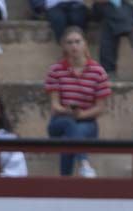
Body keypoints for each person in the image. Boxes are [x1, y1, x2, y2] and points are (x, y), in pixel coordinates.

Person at [45, 25, 109, 177]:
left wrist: (81, 115)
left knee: (72, 135)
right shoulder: (55, 70)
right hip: (60, 120)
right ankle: (83, 163)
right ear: (63, 45)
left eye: (77, 41)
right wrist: (68, 112)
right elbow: (54, 105)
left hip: (87, 121)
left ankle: (64, 179)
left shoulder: (98, 71)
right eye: (69, 42)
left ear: (85, 43)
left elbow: (100, 108)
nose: (74, 46)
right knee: (68, 124)